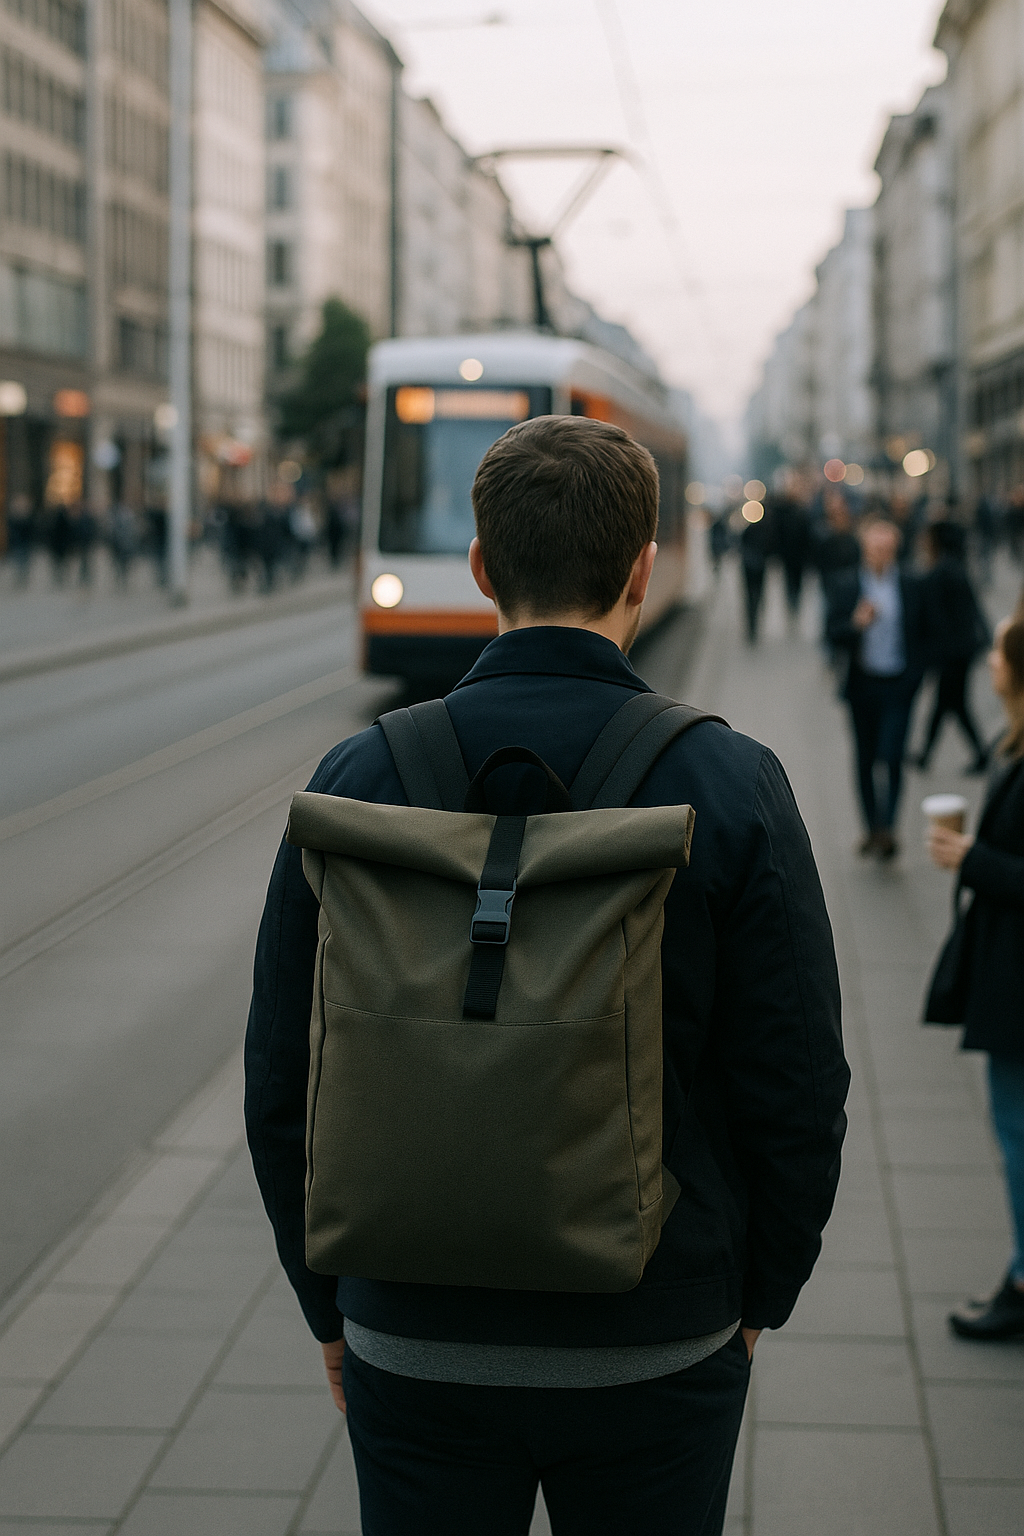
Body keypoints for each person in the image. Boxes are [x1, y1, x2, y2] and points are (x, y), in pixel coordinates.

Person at [245, 415, 849, 1536]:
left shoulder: (361, 774)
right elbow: (798, 1081)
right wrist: (755, 1294)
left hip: (413, 1336)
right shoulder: (727, 779)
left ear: (479, 568)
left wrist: (329, 1302)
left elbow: (284, 1074)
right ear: (642, 567)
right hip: (658, 1332)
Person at [925, 616, 1024, 1341]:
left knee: (1017, 1132)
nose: (988, 658)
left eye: (997, 650)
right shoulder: (1011, 741)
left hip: (1017, 983)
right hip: (1007, 970)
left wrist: (972, 861)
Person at [826, 518, 929, 859]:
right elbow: (831, 634)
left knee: (893, 755)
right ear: (864, 550)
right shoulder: (846, 585)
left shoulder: (912, 584)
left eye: (887, 550)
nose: (881, 556)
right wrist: (855, 625)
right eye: (875, 550)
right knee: (866, 758)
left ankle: (888, 827)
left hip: (899, 683)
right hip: (862, 684)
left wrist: (916, 677)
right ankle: (872, 827)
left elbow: (927, 633)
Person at [911, 522, 990, 773]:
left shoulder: (940, 572)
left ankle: (980, 753)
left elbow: (937, 619)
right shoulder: (955, 567)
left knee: (953, 704)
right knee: (948, 704)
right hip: (962, 650)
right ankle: (928, 755)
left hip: (953, 654)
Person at [738, 502, 774, 644]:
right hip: (759, 567)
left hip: (749, 568)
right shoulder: (766, 529)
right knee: (758, 595)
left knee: (749, 597)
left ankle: (751, 624)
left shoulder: (748, 529)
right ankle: (754, 622)